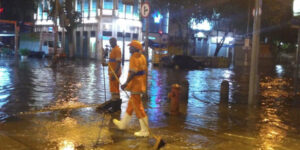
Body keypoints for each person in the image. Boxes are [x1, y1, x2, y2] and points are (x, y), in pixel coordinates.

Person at [113, 40, 149, 137]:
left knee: (138, 108)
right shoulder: (143, 57)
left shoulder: (133, 57)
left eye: (131, 47)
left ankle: (145, 130)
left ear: (136, 48)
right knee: (131, 105)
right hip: (140, 84)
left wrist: (125, 83)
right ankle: (123, 124)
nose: (129, 48)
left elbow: (133, 72)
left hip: (135, 86)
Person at [98, 37, 122, 113]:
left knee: (114, 89)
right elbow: (112, 62)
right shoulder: (113, 50)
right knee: (115, 89)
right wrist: (105, 64)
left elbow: (118, 63)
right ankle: (117, 107)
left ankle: (115, 106)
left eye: (112, 42)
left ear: (115, 42)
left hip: (115, 73)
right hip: (113, 73)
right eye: (110, 42)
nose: (111, 43)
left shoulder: (117, 50)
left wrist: (114, 74)